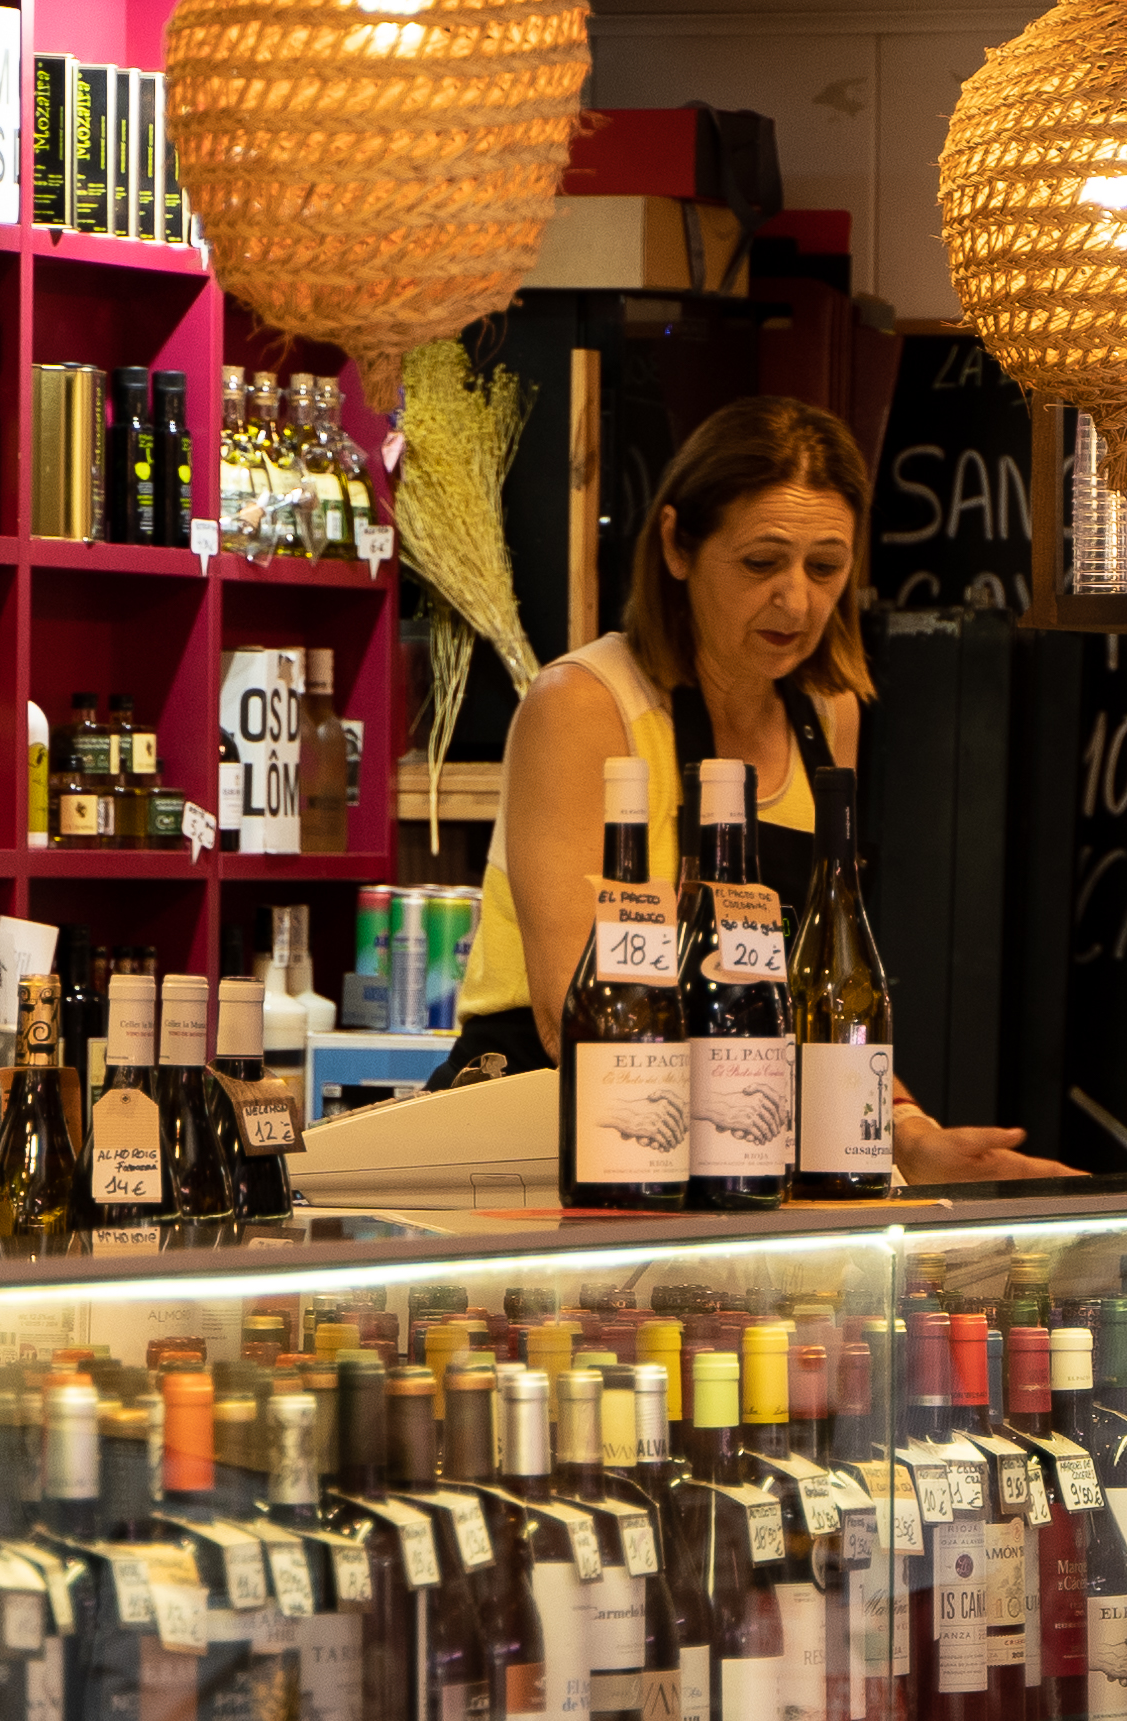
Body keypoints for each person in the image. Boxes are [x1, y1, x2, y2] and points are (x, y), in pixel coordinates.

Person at [436, 395, 1070, 1185]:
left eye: (826, 567)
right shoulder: (583, 705)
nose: (797, 601)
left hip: (740, 1144)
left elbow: (812, 990)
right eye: (761, 563)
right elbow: (577, 1020)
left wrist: (904, 1134)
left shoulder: (826, 717)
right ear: (677, 544)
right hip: (544, 1136)